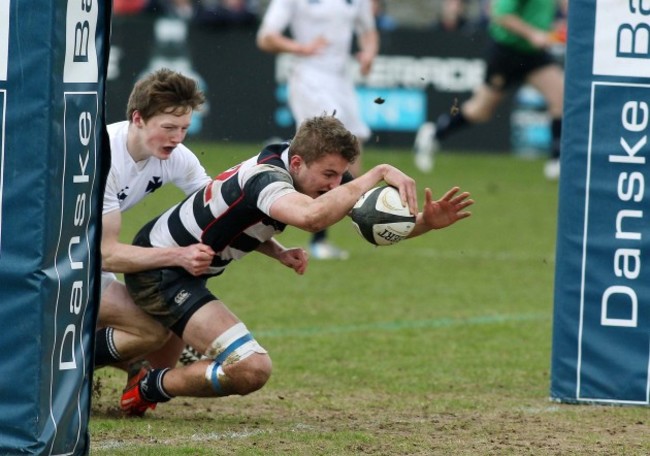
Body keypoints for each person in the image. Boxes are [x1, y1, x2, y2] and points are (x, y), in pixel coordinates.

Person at [117, 114, 473, 415]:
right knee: (251, 368)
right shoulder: (266, 179)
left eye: (341, 176)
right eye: (330, 175)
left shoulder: (301, 168)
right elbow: (312, 218)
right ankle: (149, 385)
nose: (336, 184)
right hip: (161, 272)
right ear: (298, 163)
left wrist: (426, 221)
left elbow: (371, 220)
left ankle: (146, 376)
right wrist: (377, 170)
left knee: (146, 354)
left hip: (185, 272)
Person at [96, 68, 215, 383]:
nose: (177, 138)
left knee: (163, 346)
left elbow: (219, 206)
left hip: (87, 265)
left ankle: (99, 362)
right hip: (53, 268)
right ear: (138, 118)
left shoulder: (176, 157)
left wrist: (276, 249)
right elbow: (107, 255)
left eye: (184, 128)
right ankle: (63, 371)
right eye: (169, 127)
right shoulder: (104, 155)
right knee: (153, 327)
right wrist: (178, 256)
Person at [256, 0, 379, 260]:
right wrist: (300, 48)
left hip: (342, 80)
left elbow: (368, 31)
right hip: (310, 77)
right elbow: (266, 38)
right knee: (325, 155)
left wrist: (369, 53)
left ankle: (325, 230)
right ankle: (312, 233)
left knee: (351, 164)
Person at [414, 0, 565, 180]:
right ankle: (434, 133)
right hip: (506, 53)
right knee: (480, 111)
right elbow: (501, 15)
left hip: (534, 54)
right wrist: (533, 33)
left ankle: (556, 160)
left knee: (561, 97)